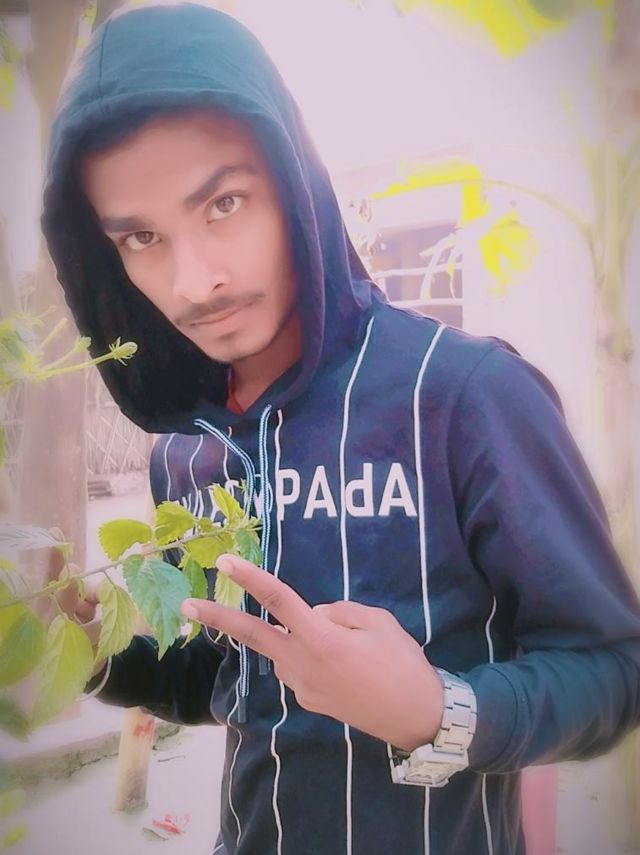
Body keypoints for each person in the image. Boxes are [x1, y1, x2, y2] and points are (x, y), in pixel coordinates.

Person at [41, 3, 640, 854]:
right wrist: (95, 651)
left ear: (295, 176)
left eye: (224, 202)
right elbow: (226, 679)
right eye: (141, 236)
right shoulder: (184, 450)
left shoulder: (465, 396)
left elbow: (614, 668)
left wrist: (439, 710)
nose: (193, 281)